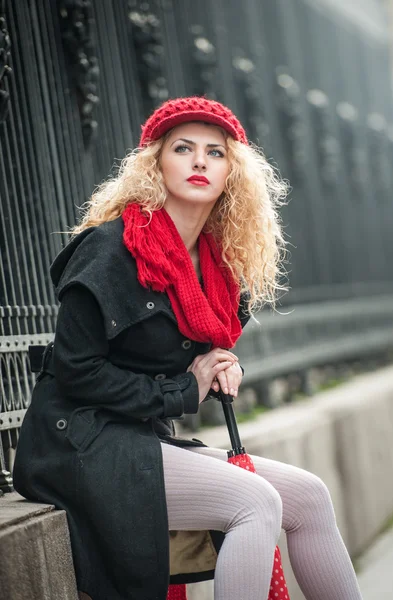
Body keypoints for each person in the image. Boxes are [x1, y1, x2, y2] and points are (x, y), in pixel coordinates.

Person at [13, 96, 362, 600]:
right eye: (183, 148)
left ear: (232, 173)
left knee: (307, 496)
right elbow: (74, 370)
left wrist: (223, 365)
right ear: (155, 164)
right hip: (75, 442)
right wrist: (183, 390)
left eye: (215, 153)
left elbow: (198, 349)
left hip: (139, 438)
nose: (200, 161)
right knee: (254, 501)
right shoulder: (111, 249)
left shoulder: (219, 268)